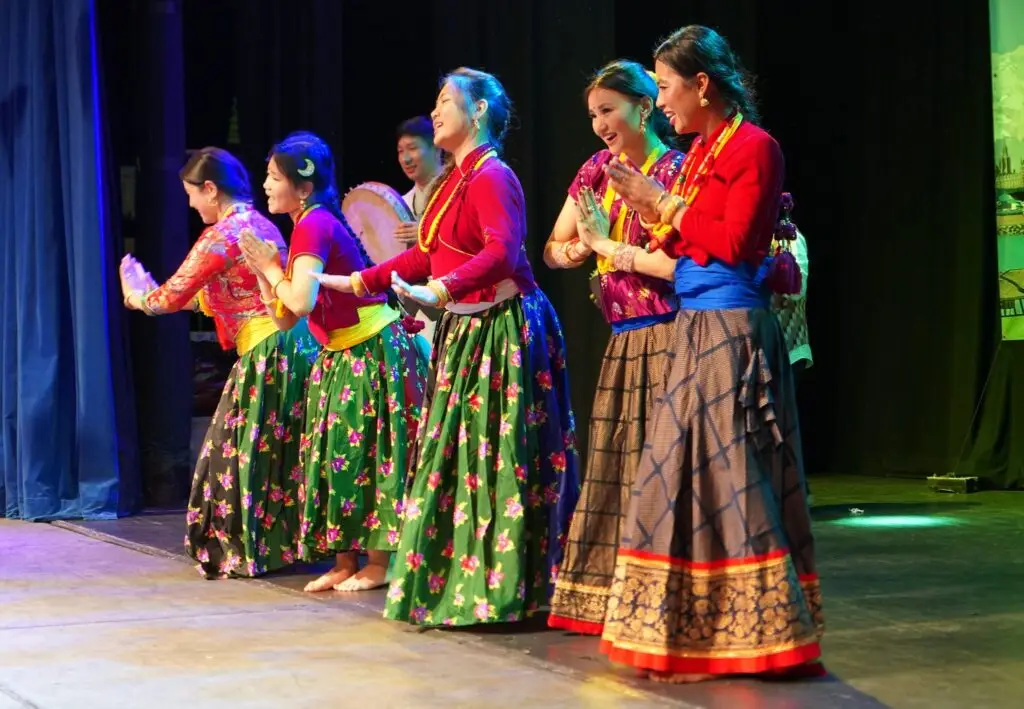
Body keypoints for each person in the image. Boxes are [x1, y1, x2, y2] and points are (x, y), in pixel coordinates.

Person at [575, 26, 823, 682]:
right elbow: (687, 242)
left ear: (702, 84)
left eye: (664, 87)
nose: (660, 102)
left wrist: (662, 203)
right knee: (676, 479)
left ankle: (763, 633)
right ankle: (697, 632)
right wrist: (637, 220)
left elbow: (736, 243)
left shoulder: (755, 147)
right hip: (692, 326)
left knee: (734, 480)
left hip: (732, 331)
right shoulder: (701, 151)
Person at [314, 68, 581, 627]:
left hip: (502, 329)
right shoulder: (453, 181)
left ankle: (510, 589)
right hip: (466, 331)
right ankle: (465, 584)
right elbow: (425, 255)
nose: (435, 112)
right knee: (461, 461)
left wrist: (439, 291)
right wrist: (359, 281)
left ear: (478, 110)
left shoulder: (491, 176)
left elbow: (502, 253)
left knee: (500, 460)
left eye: (445, 101)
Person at [239, 131, 427, 593]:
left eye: (273, 177)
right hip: (340, 353)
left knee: (373, 453)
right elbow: (285, 319)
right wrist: (265, 274)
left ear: (303, 187)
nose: (265, 185)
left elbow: (300, 302)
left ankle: (379, 562)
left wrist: (271, 269)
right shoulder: (306, 223)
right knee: (337, 458)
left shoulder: (314, 223)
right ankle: (345, 561)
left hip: (370, 348)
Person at [119, 146, 317, 579]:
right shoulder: (260, 223)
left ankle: (246, 549)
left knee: (234, 454)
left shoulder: (223, 234)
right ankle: (285, 545)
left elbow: (172, 296)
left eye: (192, 195)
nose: (192, 205)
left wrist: (137, 296)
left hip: (267, 349)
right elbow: (224, 295)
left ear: (210, 189)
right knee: (279, 451)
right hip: (296, 346)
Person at [544, 60, 685, 635]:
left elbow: (678, 264)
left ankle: (661, 600)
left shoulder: (675, 170)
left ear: (645, 107)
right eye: (593, 115)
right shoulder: (595, 170)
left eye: (608, 110)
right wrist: (582, 248)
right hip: (622, 338)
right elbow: (552, 248)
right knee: (613, 471)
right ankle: (609, 598)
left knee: (659, 471)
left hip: (670, 333)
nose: (600, 124)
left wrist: (608, 245)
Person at [394, 116, 445, 345]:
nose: (405, 158)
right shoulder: (399, 205)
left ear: (436, 148)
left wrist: (426, 235)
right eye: (400, 151)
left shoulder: (456, 193)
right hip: (414, 314)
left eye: (413, 148)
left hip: (451, 305)